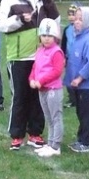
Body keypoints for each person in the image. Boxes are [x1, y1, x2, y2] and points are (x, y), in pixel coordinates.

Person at [0, 0, 59, 151]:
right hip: (19, 57)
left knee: (37, 97)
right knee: (20, 96)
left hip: (40, 57)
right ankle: (17, 135)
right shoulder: (10, 0)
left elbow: (55, 21)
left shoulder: (41, 0)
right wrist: (18, 20)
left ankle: (35, 133)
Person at [29, 18, 66, 157]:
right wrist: (32, 79)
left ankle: (56, 145)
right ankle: (50, 143)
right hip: (42, 89)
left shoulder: (56, 52)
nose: (46, 38)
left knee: (56, 117)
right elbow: (35, 67)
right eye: (44, 35)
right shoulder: (40, 50)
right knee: (48, 117)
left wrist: (41, 80)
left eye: (50, 35)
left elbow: (57, 71)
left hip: (52, 89)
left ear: (55, 37)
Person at [67, 7, 89, 153]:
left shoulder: (88, 41)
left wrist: (80, 78)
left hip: (86, 86)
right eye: (76, 18)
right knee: (81, 113)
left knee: (87, 114)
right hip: (78, 86)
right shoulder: (78, 38)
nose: (76, 21)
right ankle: (81, 138)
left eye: (80, 19)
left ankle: (88, 142)